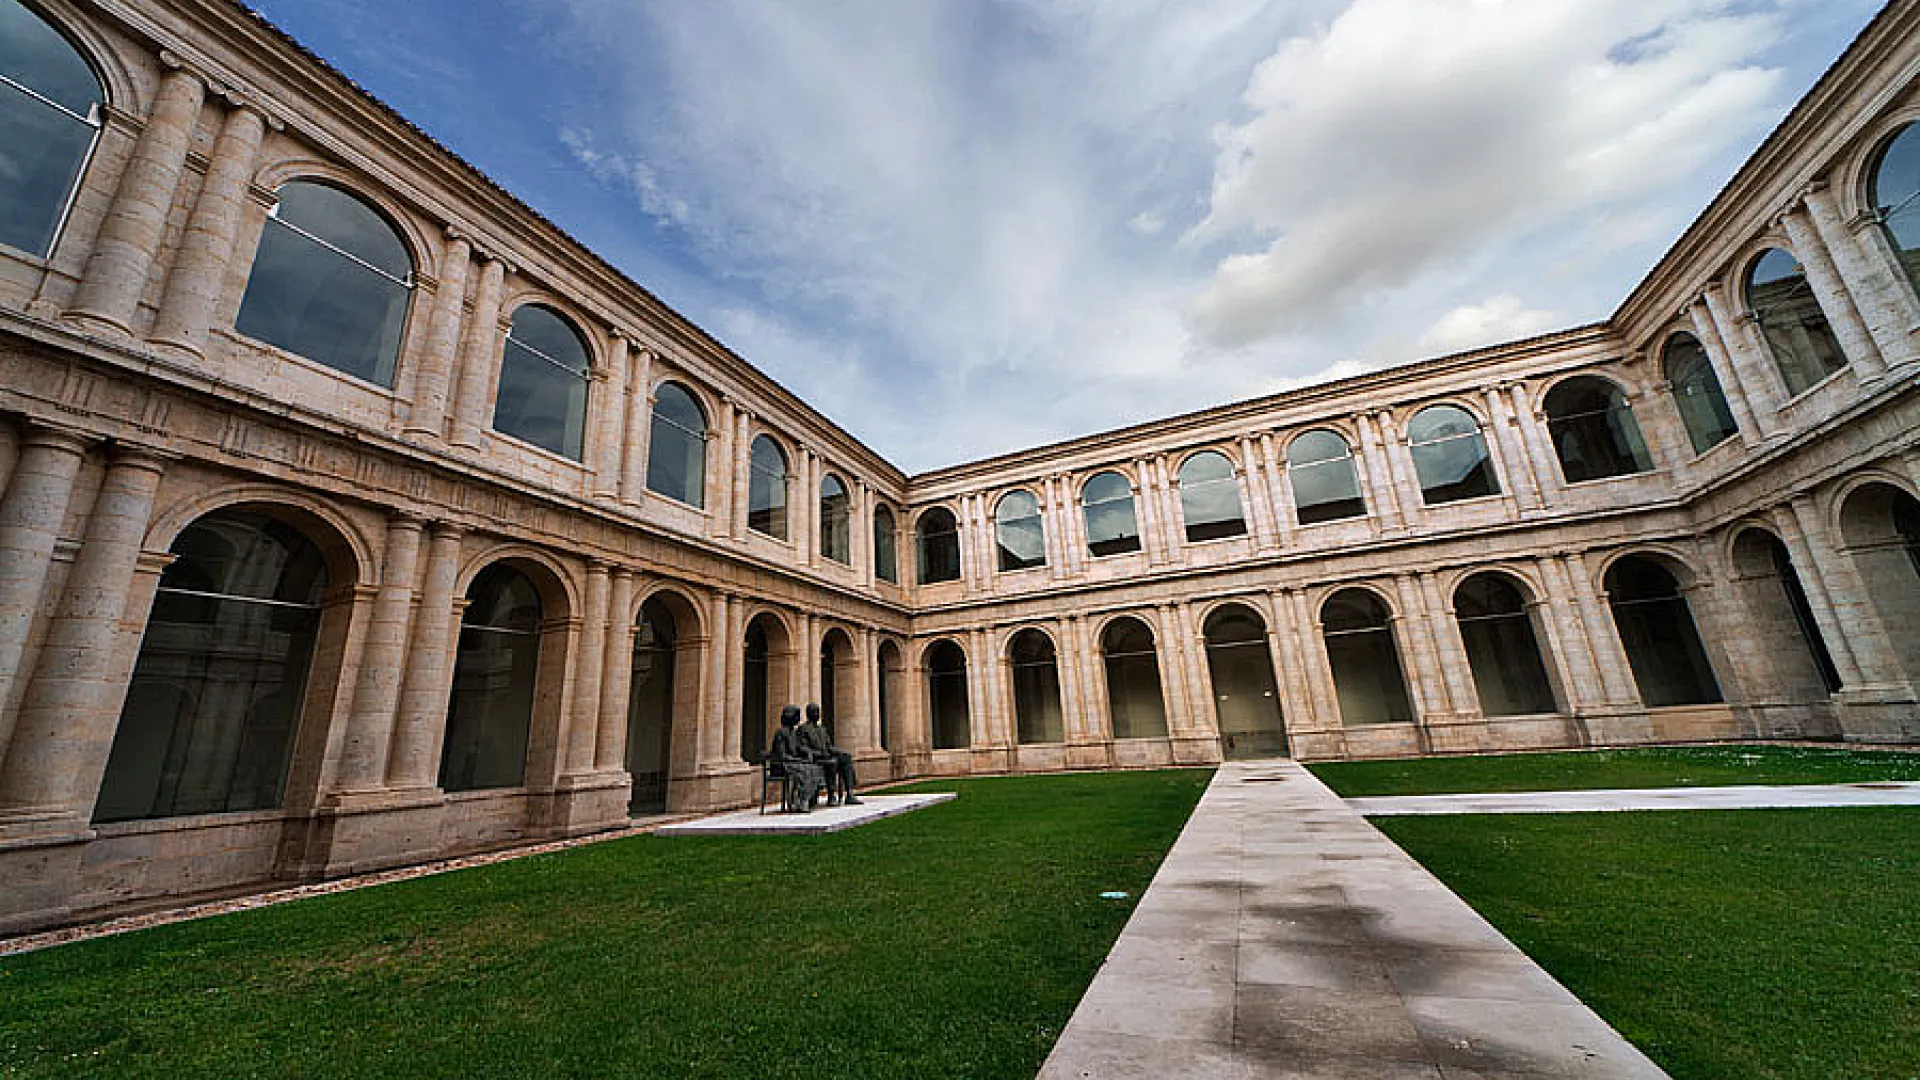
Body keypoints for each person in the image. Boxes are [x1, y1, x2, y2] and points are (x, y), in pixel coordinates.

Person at [799, 702, 860, 806]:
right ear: (809, 714)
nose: (817, 714)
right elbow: (802, 747)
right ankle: (831, 795)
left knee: (846, 759)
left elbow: (828, 746)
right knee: (832, 763)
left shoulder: (822, 729)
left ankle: (850, 793)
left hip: (826, 756)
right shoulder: (803, 729)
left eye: (818, 712)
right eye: (815, 712)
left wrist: (839, 752)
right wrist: (818, 753)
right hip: (815, 759)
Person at [768, 705, 824, 813]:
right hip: (781, 765)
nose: (798, 719)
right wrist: (798, 760)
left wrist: (807, 754)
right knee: (805, 770)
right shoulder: (781, 732)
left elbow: (798, 748)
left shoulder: (793, 732)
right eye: (796, 716)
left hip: (792, 763)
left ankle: (807, 798)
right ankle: (802, 801)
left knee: (814, 768)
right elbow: (782, 755)